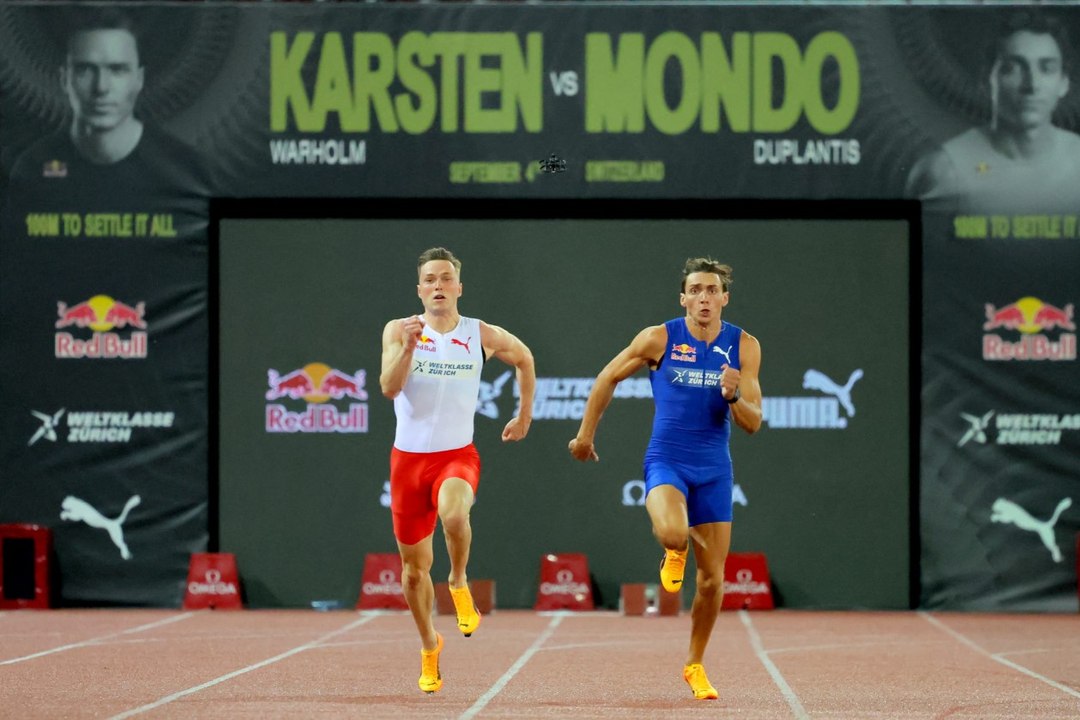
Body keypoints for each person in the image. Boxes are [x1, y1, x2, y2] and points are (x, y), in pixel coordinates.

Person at [568, 257, 762, 701]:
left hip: (714, 469)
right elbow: (606, 377)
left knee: (714, 580)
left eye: (712, 290)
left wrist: (732, 395)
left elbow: (753, 422)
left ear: (724, 298)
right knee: (674, 534)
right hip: (667, 461)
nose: (704, 298)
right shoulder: (659, 337)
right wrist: (584, 436)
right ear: (684, 298)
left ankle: (694, 664)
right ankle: (674, 552)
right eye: (695, 290)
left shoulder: (744, 346)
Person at [380, 247, 535, 695]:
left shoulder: (479, 334)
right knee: (413, 572)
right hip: (408, 463)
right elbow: (389, 388)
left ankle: (459, 579)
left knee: (453, 515)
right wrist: (409, 347)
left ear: (459, 287)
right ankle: (430, 645)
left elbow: (524, 358)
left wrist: (524, 416)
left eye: (446, 279)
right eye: (430, 280)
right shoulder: (399, 329)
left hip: (456, 456)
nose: (438, 286)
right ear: (419, 289)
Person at [7, 9, 213, 215]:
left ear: (139, 79)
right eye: (85, 70)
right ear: (64, 80)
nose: (101, 87)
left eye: (117, 70)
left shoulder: (184, 172)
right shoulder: (34, 169)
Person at [905, 11, 1080, 216]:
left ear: (1064, 83)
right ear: (987, 82)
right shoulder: (944, 171)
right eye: (1013, 68)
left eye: (1047, 68)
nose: (1032, 84)